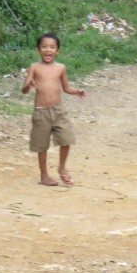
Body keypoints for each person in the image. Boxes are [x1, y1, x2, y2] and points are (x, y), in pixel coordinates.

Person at [21, 32, 86, 186]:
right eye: (44, 47)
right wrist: (28, 85)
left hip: (58, 111)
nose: (48, 50)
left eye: (52, 47)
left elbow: (66, 88)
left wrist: (77, 92)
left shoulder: (61, 68)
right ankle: (44, 175)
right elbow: (24, 89)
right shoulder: (34, 67)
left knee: (66, 138)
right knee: (41, 145)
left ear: (58, 51)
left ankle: (62, 168)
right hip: (41, 112)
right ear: (38, 49)